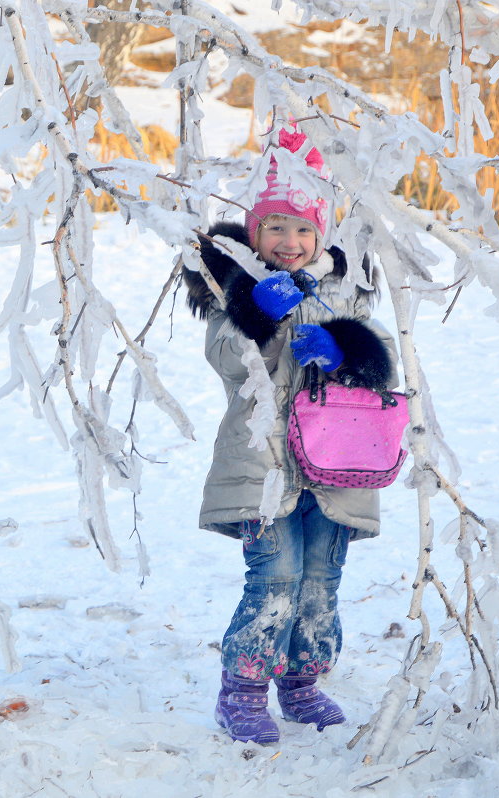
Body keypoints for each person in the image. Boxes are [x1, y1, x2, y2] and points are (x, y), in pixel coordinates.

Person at [184, 127, 398, 745]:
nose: (290, 242)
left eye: (303, 229)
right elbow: (226, 358)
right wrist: (259, 320)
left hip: (338, 462)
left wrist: (345, 348)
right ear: (254, 233)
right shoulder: (236, 287)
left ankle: (302, 682)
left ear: (321, 233)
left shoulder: (345, 283)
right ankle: (244, 689)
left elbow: (381, 357)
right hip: (266, 463)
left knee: (321, 579)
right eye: (275, 228)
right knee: (274, 576)